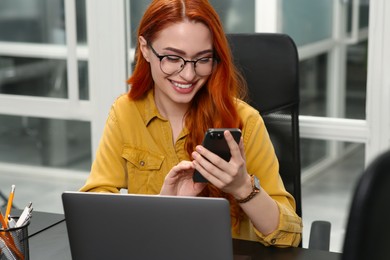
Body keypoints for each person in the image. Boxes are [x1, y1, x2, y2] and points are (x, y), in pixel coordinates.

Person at [80, 0, 302, 247]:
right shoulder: (125, 113)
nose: (188, 75)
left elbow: (289, 239)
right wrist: (161, 208)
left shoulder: (245, 121)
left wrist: (242, 187)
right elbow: (93, 213)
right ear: (145, 48)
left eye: (202, 59)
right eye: (173, 58)